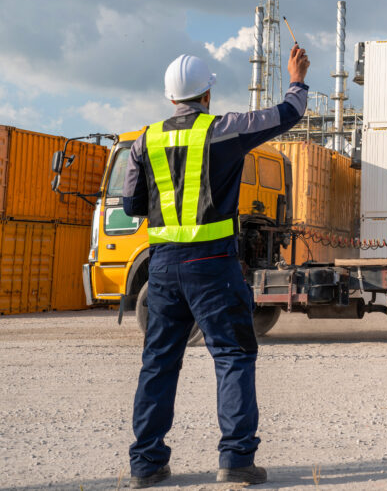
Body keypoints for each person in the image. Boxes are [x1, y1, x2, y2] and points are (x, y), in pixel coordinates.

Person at [123, 46, 310, 487]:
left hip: (163, 267)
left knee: (158, 362)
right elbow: (287, 113)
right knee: (232, 356)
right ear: (207, 93)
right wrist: (297, 77)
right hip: (212, 265)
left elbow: (133, 205)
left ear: (171, 98)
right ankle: (235, 461)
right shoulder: (224, 130)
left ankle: (146, 466)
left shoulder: (143, 141)